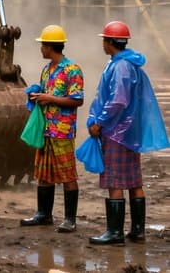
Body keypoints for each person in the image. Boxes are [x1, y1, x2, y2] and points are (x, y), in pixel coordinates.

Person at [87, 21, 169, 245]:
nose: (102, 44)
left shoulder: (120, 66)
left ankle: (115, 233)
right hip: (129, 132)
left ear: (110, 42)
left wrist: (100, 122)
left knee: (115, 180)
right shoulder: (129, 64)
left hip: (116, 132)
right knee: (134, 181)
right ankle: (137, 231)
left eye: (104, 39)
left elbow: (118, 100)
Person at [20, 24, 84, 232]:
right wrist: (37, 95)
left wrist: (49, 98)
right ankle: (44, 214)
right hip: (46, 129)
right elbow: (48, 95)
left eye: (42, 45)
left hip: (62, 131)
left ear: (50, 47)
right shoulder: (47, 70)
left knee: (68, 174)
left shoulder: (72, 70)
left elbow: (77, 100)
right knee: (43, 173)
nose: (41, 49)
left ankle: (70, 220)